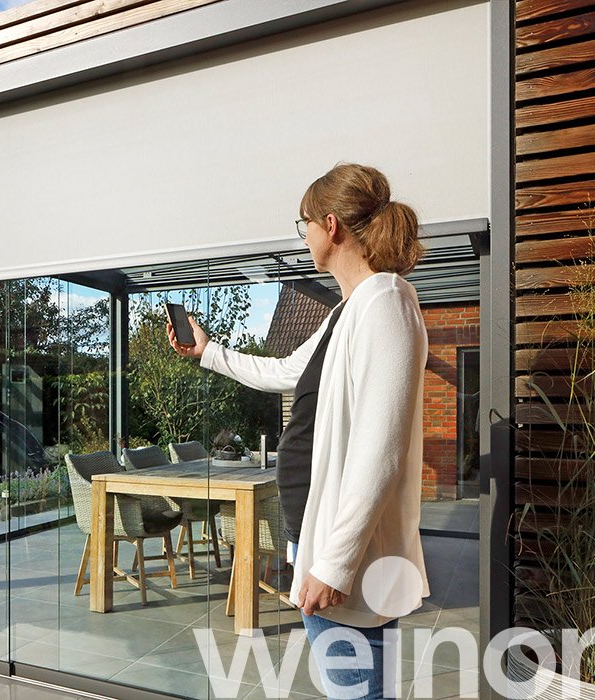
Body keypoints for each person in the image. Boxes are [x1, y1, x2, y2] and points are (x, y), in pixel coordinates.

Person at [167, 163, 430, 700]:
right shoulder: (349, 310)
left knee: (355, 692)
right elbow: (284, 370)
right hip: (312, 531)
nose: (303, 235)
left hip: (342, 554)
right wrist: (208, 352)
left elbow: (379, 453)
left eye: (303, 224)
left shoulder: (386, 303)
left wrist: (334, 564)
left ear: (329, 225)